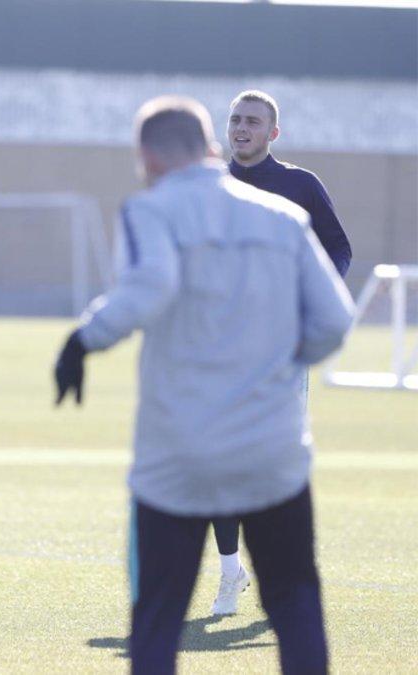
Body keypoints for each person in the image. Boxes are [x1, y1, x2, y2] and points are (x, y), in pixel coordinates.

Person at [52, 96, 353, 674]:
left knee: (159, 614)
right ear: (212, 147)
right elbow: (335, 321)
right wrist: (287, 364)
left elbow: (150, 286)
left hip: (178, 452)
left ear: (146, 157)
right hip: (272, 450)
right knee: (294, 607)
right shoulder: (283, 218)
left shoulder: (149, 210)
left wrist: (83, 340)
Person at [210, 89, 354, 615]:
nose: (241, 127)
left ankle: (290, 581)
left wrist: (311, 296)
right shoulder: (210, 184)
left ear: (273, 133)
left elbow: (338, 247)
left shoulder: (300, 186)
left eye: (252, 121)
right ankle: (231, 572)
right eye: (234, 119)